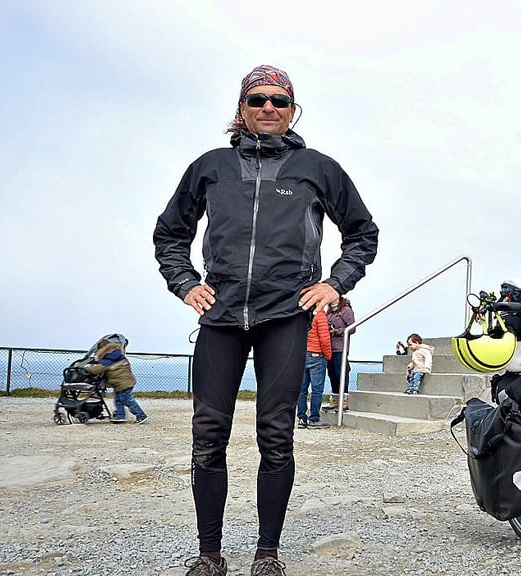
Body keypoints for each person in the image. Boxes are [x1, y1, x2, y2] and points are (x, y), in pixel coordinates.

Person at [153, 64, 379, 576]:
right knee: (208, 434)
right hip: (222, 316)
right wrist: (186, 284)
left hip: (285, 316)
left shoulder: (317, 168)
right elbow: (170, 233)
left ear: (293, 109)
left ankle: (267, 554)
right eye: (257, 100)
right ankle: (209, 553)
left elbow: (363, 233)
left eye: (279, 100)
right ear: (241, 110)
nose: (269, 108)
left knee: (276, 435)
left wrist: (335, 283)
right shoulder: (210, 166)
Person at [84, 339, 148, 424]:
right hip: (124, 382)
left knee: (126, 399)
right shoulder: (116, 355)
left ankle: (141, 416)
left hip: (123, 383)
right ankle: (120, 416)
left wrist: (88, 367)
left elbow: (97, 370)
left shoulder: (109, 358)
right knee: (118, 399)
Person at [297, 308, 333, 429]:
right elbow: (324, 339)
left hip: (302, 354)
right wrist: (328, 355)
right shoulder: (320, 315)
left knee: (302, 390)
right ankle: (314, 419)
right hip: (316, 355)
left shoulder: (302, 314)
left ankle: (302, 418)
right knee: (317, 390)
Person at [324, 297, 355, 411]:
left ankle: (344, 400)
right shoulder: (330, 312)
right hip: (329, 348)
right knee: (332, 373)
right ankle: (336, 399)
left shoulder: (346, 310)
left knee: (341, 373)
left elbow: (352, 328)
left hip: (340, 347)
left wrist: (337, 331)